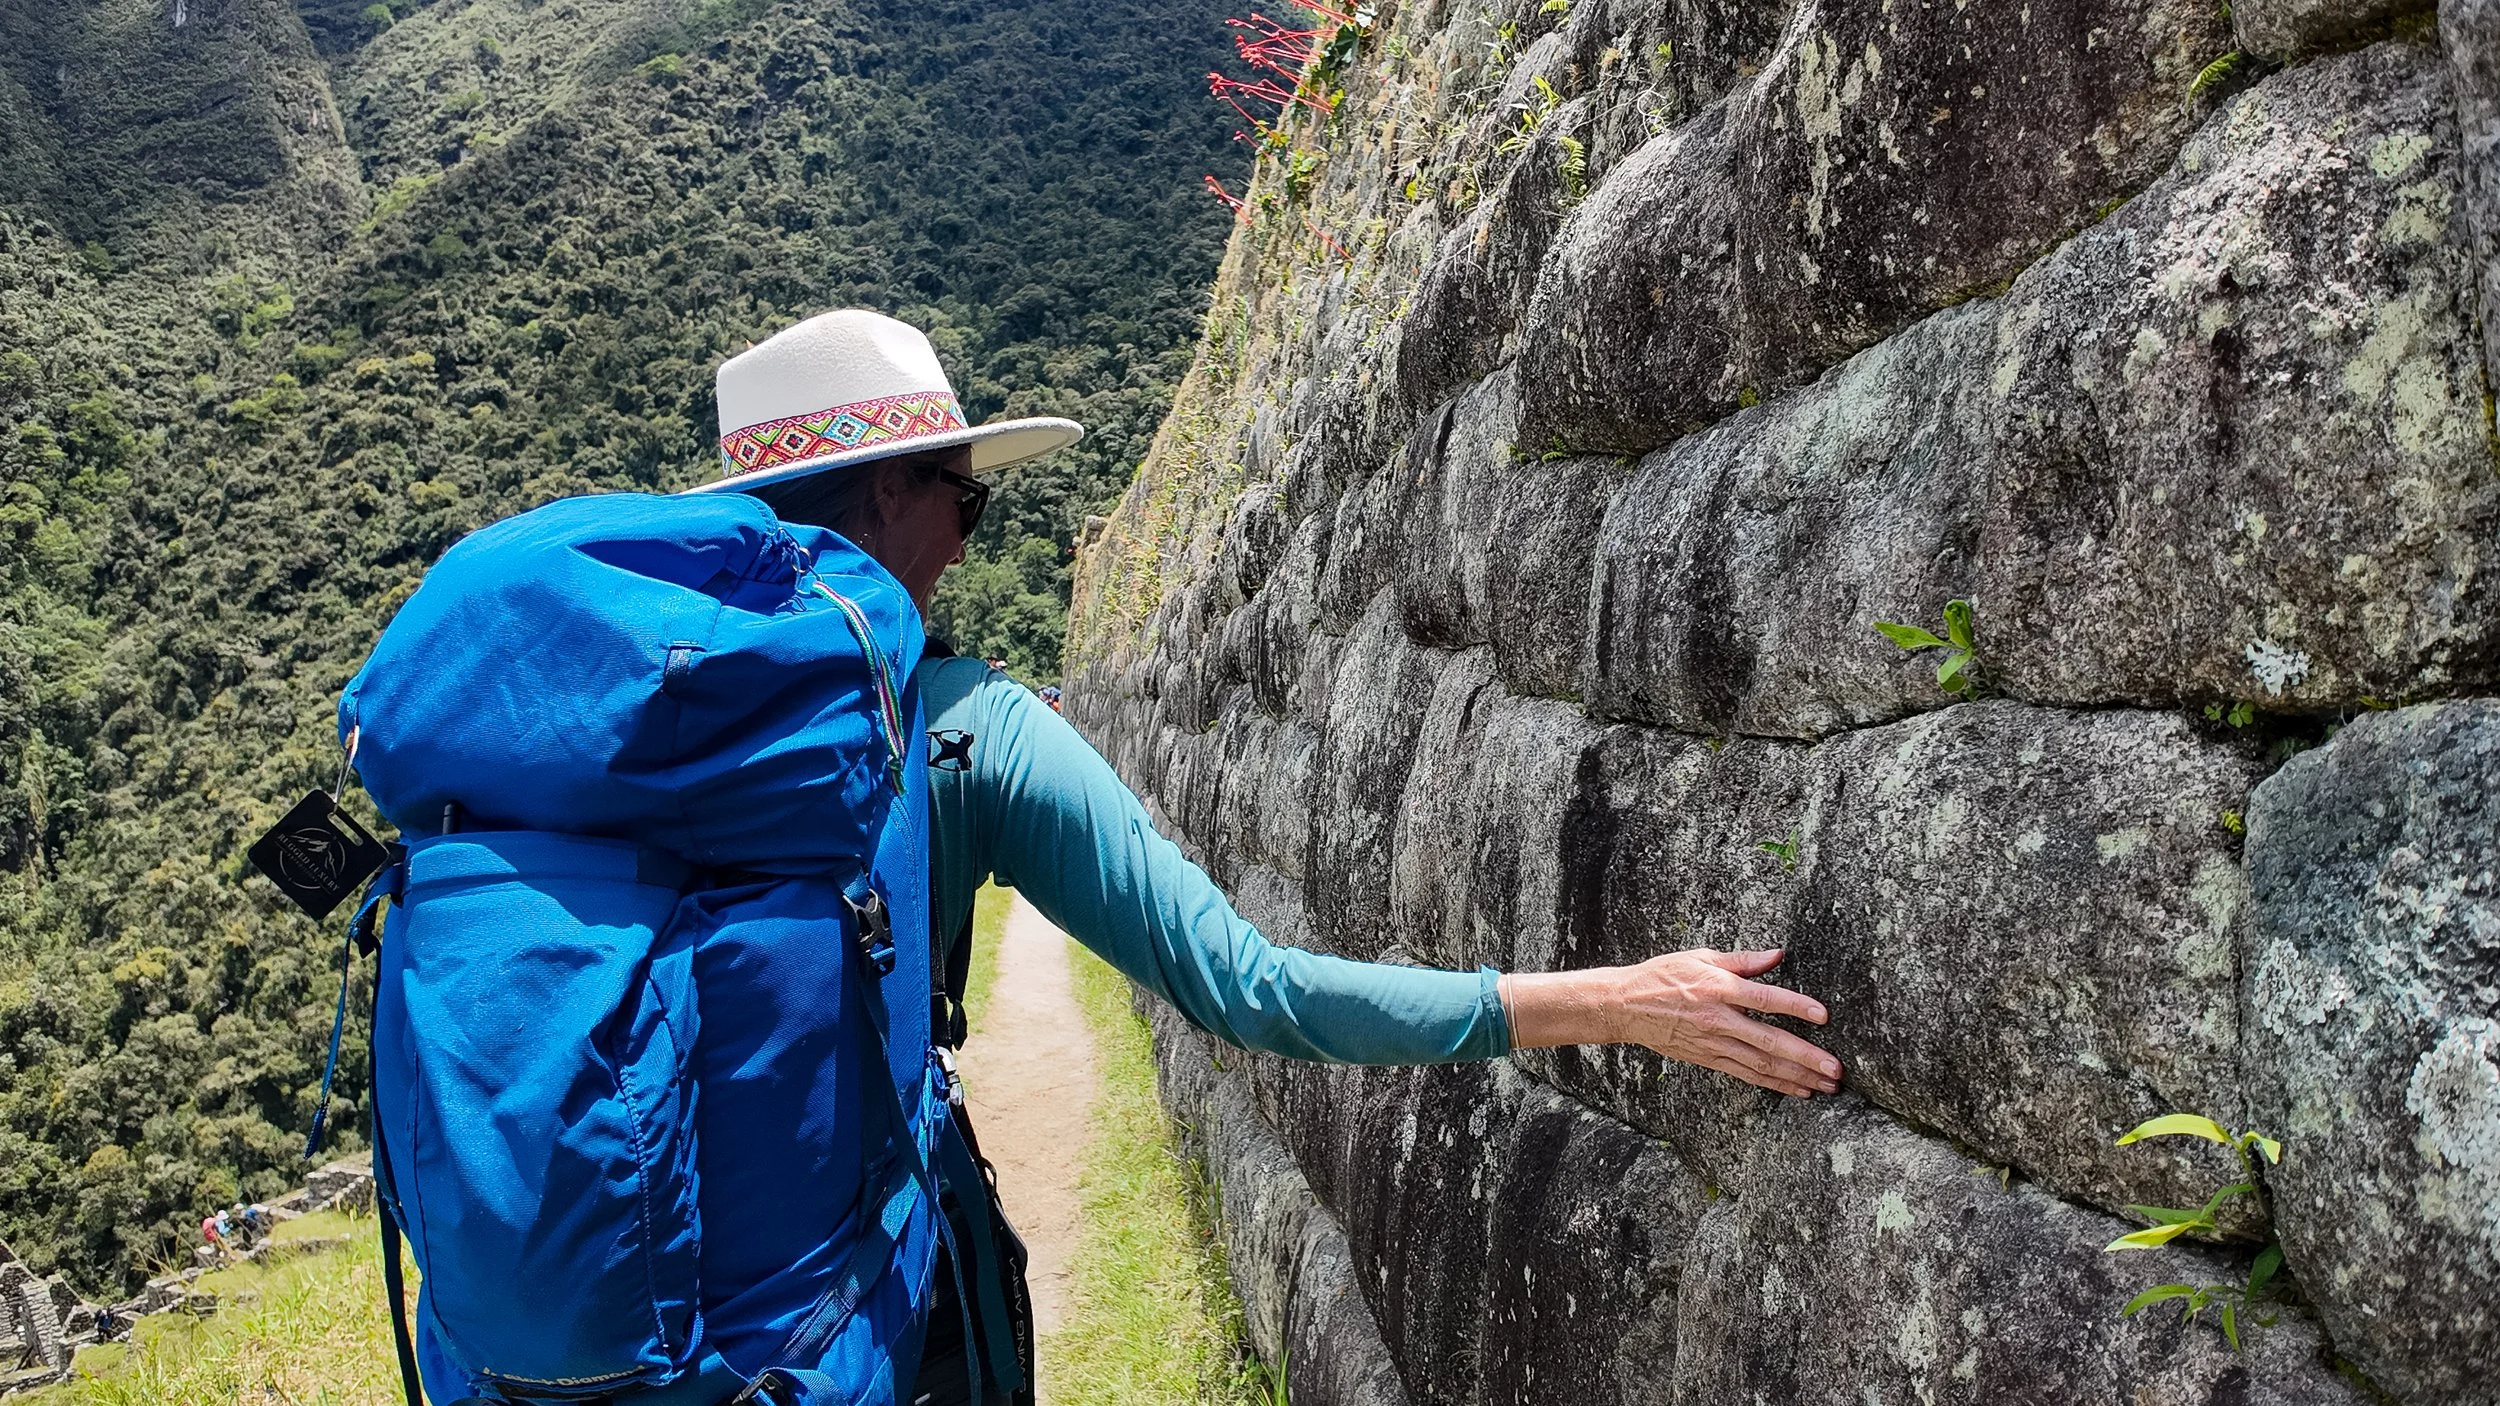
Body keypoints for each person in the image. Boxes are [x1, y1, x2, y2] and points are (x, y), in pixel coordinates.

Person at [702, 311, 1843, 1402]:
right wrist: (1622, 1000)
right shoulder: (966, 727)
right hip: (852, 1311)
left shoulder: (611, 722)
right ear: (895, 490)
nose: (964, 535)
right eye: (968, 496)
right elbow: (1255, 987)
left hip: (608, 1292)